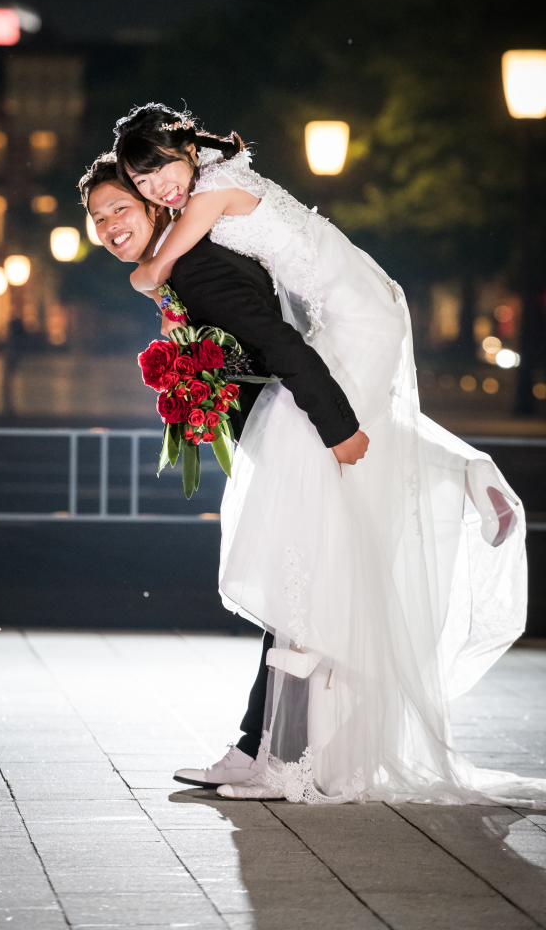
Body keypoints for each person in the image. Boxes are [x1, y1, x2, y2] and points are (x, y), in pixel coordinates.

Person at [105, 103, 542, 806]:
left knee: (317, 452)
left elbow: (152, 272)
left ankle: (285, 758)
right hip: (353, 304)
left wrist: (148, 272)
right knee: (330, 468)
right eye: (140, 178)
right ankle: (464, 475)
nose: (156, 189)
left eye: (155, 171)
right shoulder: (218, 181)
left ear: (186, 152)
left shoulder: (213, 191)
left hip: (359, 313)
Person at [81, 152, 370, 790]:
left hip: (307, 434)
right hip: (287, 435)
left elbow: (279, 344)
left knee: (297, 597)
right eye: (97, 218)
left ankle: (282, 761)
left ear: (156, 206)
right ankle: (255, 749)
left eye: (119, 208)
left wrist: (339, 431)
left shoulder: (200, 268)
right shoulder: (183, 267)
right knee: (293, 595)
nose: (108, 226)